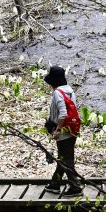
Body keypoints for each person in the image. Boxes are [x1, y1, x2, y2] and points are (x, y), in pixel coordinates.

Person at [42, 65, 83, 196]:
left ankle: (75, 186)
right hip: (72, 129)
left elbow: (63, 114)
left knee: (66, 160)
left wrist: (57, 130)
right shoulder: (70, 91)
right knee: (63, 157)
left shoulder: (57, 93)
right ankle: (55, 184)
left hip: (63, 131)